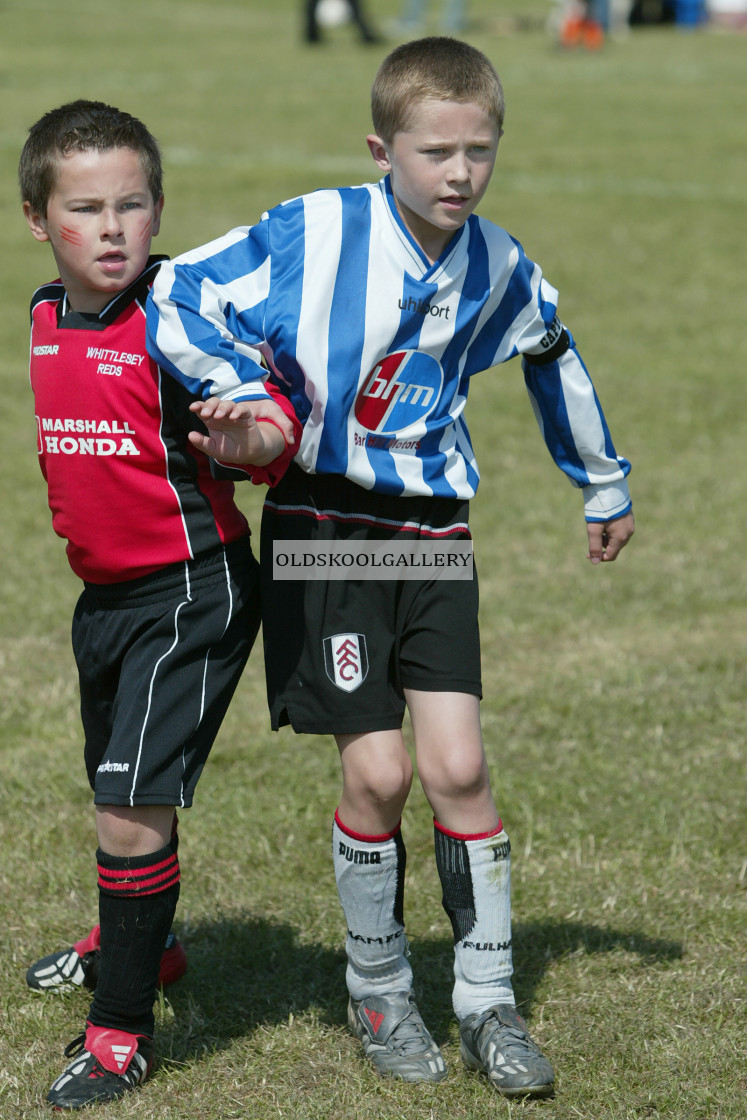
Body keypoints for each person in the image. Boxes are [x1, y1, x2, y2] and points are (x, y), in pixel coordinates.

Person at [147, 37, 635, 1100]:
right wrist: (244, 394)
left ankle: (487, 998)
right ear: (383, 148)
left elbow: (551, 345)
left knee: (459, 768)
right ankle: (379, 989)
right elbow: (178, 291)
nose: (460, 172)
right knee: (379, 774)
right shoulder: (317, 232)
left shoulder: (496, 261)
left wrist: (603, 481)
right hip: (326, 526)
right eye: (436, 151)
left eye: (479, 149)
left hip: (434, 534)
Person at [19, 99, 298, 1110]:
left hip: (194, 592)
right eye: (85, 208)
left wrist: (254, 438)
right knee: (113, 783)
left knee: (128, 807)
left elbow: (267, 417)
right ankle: (150, 942)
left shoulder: (173, 324)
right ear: (38, 221)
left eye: (131, 205)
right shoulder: (48, 316)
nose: (111, 228)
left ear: (159, 210)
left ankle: (121, 1031)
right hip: (103, 599)